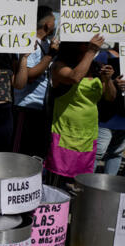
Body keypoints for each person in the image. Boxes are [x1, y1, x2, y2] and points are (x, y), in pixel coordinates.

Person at [44, 35, 117, 183]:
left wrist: (107, 80)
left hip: (87, 134)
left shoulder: (96, 67)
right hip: (64, 132)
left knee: (81, 179)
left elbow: (110, 97)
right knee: (58, 178)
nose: (91, 44)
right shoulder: (59, 65)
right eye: (86, 43)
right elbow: (74, 77)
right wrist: (91, 52)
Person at [13, 6, 59, 158]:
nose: (55, 24)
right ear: (48, 25)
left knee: (35, 156)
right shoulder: (28, 42)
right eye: (54, 20)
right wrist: (50, 56)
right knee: (21, 155)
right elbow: (29, 75)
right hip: (26, 107)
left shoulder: (48, 44)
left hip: (42, 107)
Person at [94, 43, 125, 175]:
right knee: (98, 152)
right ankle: (85, 184)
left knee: (116, 153)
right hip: (106, 116)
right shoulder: (104, 56)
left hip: (122, 118)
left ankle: (108, 188)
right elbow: (94, 83)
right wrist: (113, 83)